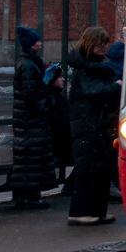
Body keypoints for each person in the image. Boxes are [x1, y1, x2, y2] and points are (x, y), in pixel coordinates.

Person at [67, 26, 121, 226]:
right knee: (88, 169)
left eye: (105, 43)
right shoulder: (86, 69)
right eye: (101, 44)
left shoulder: (94, 66)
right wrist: (117, 87)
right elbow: (95, 92)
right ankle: (80, 212)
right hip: (88, 124)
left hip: (96, 124)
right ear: (91, 44)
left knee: (100, 169)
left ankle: (96, 211)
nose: (104, 47)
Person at [7, 27, 56, 209]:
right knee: (31, 158)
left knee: (28, 158)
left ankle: (26, 196)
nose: (40, 43)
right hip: (30, 119)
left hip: (27, 119)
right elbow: (31, 93)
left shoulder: (27, 62)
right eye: (37, 41)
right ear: (30, 44)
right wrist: (43, 107)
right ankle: (29, 198)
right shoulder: (28, 64)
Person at [43, 63, 74, 196]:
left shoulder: (58, 97)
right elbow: (57, 126)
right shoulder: (49, 99)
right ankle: (71, 185)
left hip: (60, 143)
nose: (63, 79)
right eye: (59, 77)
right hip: (55, 145)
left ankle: (71, 185)